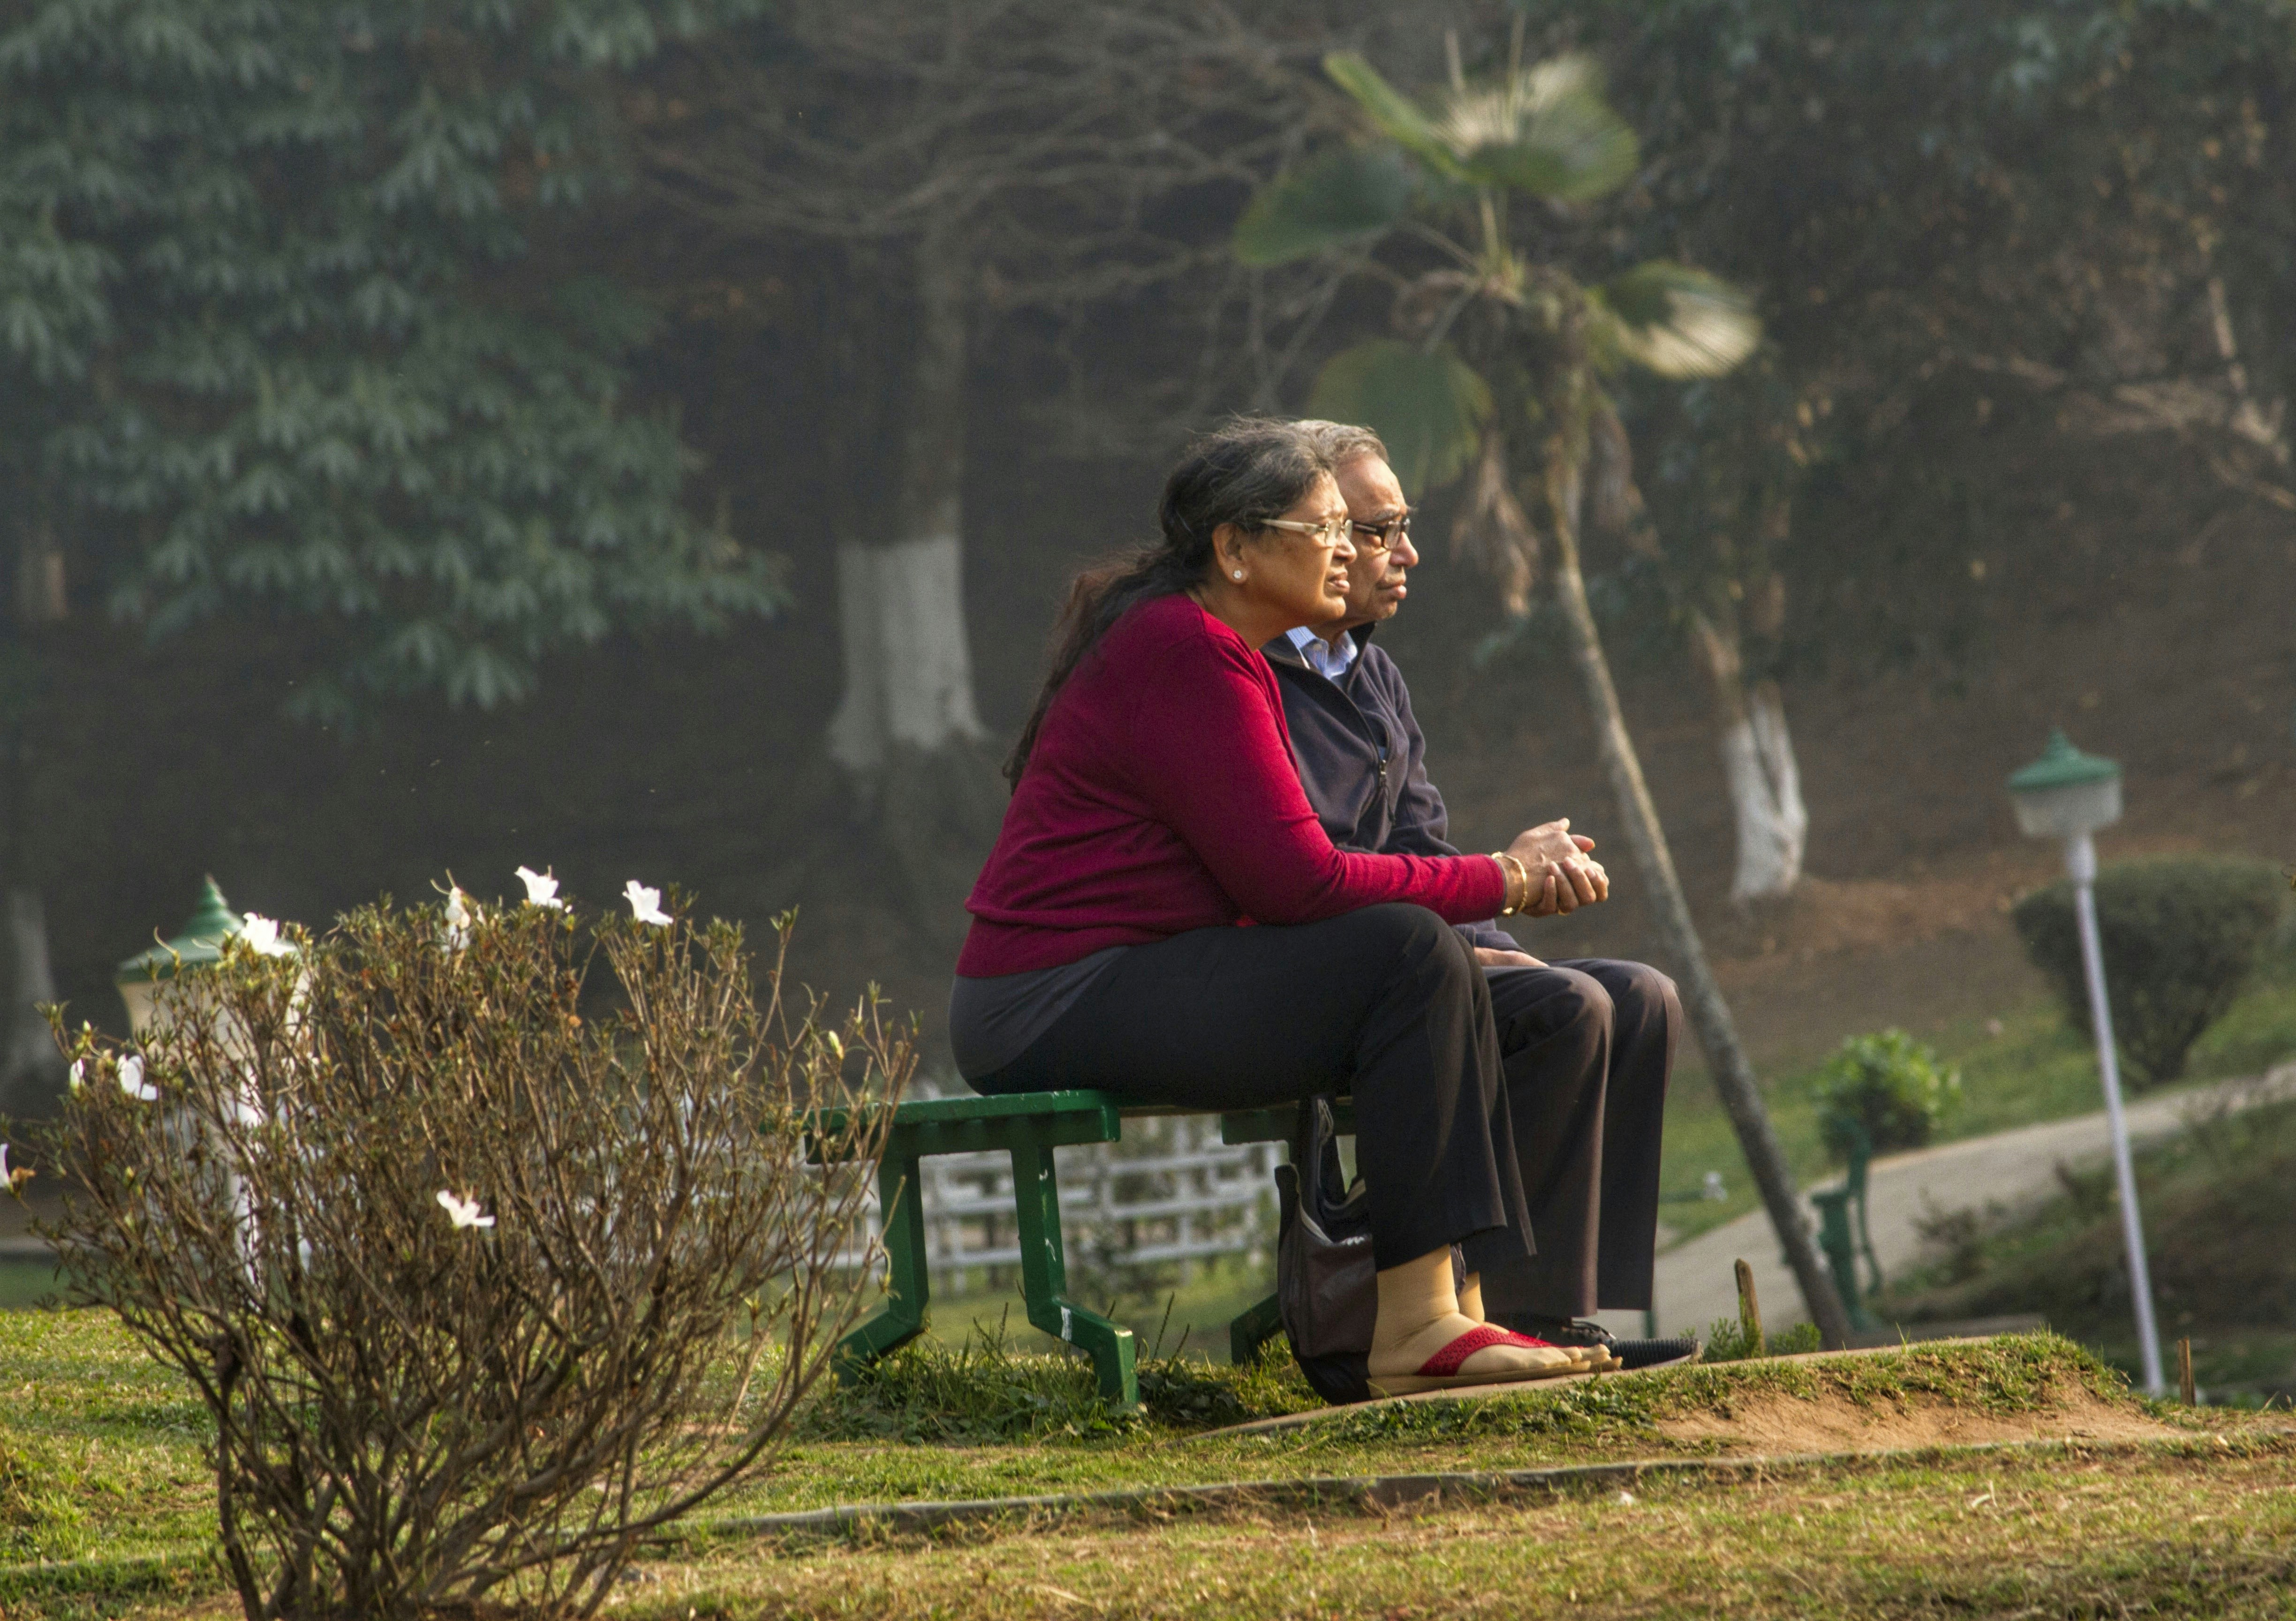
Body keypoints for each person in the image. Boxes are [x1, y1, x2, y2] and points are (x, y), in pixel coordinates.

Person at [949, 419, 1616, 1394]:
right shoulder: (1186, 650)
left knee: (1439, 966)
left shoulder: (1220, 650)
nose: (1352, 551)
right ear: (1236, 549)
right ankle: (1416, 1328)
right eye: (1329, 529)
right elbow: (1299, 882)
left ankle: (1466, 1316)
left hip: (1122, 978)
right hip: (1046, 1001)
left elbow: (1274, 890)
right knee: (1408, 955)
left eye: (1359, 530)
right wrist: (1503, 878)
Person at [1266, 419, 1692, 1369]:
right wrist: (1495, 889)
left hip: (1419, 946)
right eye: (1378, 530)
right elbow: (1304, 871)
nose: (1406, 553)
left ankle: (1566, 1309)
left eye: (1402, 525)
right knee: (1566, 1008)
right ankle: (1502, 1316)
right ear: (1315, 535)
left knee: (1640, 998)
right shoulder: (1250, 675)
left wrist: (1501, 912)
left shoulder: (1372, 672)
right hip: (1345, 964)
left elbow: (1419, 843)